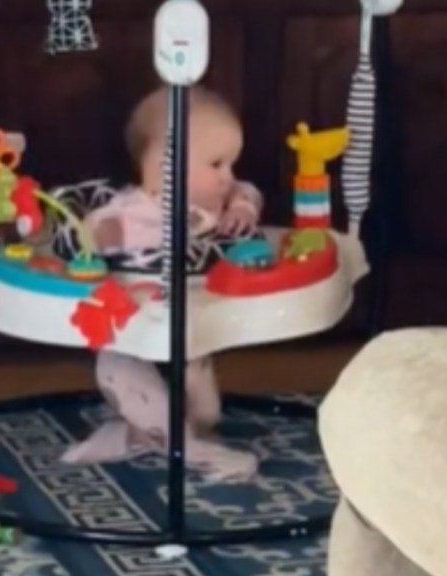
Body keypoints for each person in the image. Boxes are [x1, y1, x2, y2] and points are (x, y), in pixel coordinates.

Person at [59, 85, 262, 482]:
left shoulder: (215, 205)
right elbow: (92, 231)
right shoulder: (134, 210)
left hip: (190, 322)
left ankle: (130, 436)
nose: (229, 177)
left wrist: (242, 207)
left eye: (231, 165)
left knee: (206, 414)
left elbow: (249, 191)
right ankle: (197, 455)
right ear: (163, 165)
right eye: (217, 164)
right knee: (156, 405)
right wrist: (102, 236)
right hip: (131, 328)